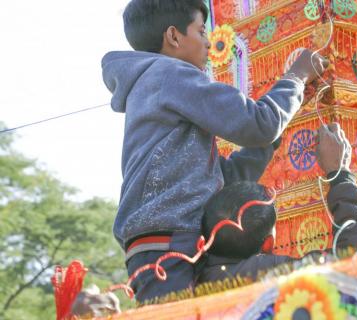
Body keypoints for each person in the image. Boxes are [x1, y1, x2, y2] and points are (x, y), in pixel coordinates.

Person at [101, 0, 328, 302]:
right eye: (200, 32)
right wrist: (297, 76)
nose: (209, 42)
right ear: (173, 37)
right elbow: (259, 123)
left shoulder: (157, 86)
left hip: (173, 244)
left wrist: (278, 129)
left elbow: (227, 177)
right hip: (171, 246)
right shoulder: (170, 75)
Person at [198, 124, 357, 283]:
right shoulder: (272, 277)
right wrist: (341, 176)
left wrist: (273, 131)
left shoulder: (186, 270)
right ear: (268, 245)